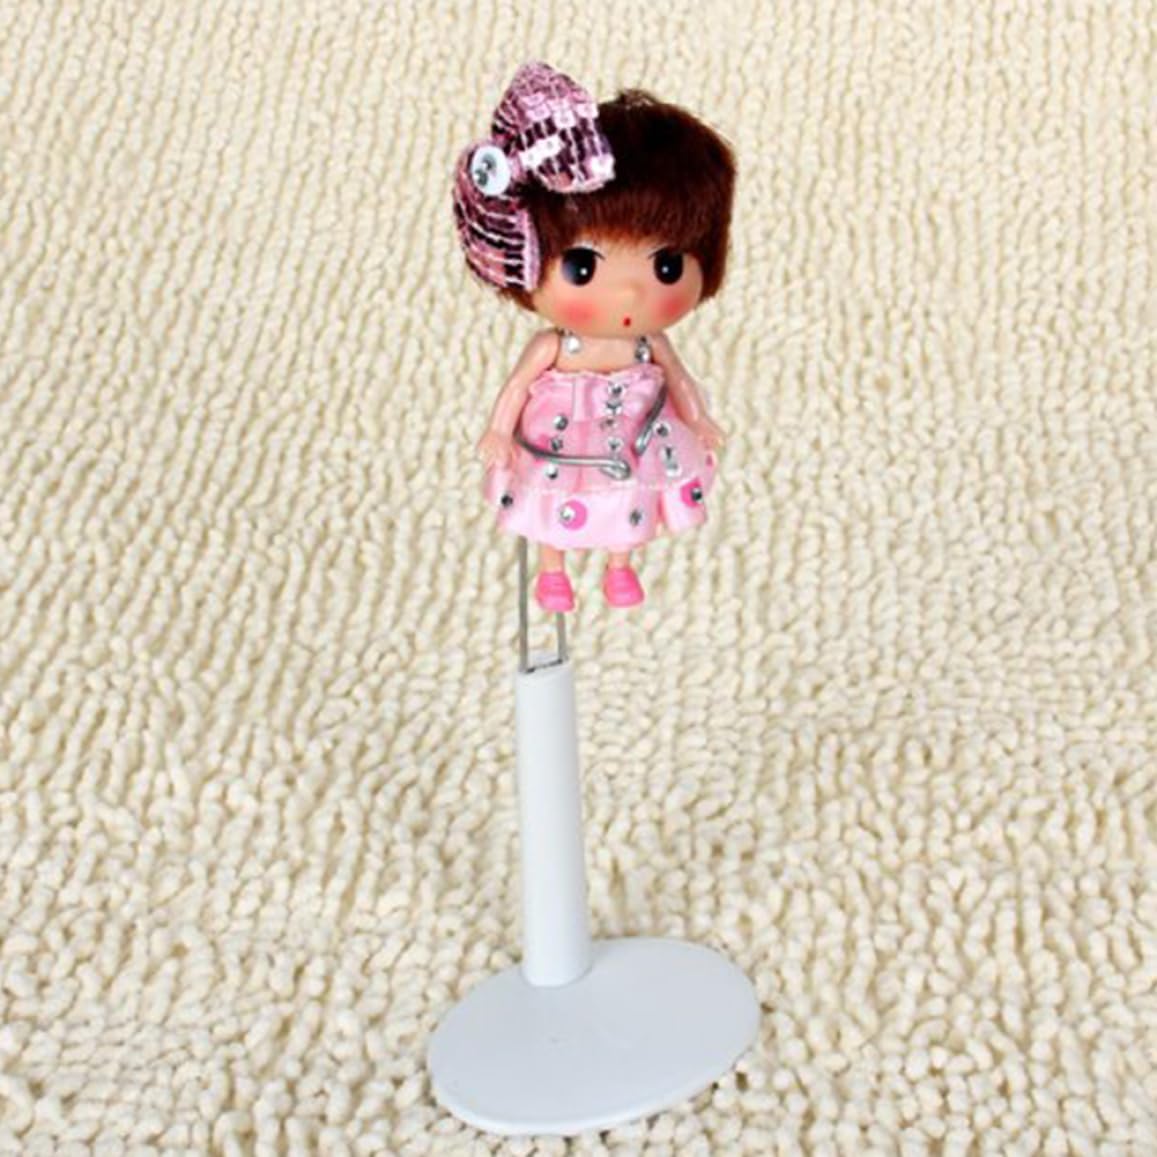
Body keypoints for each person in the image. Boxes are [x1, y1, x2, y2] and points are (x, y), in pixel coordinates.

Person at [453, 61, 736, 611]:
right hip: (561, 435)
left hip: (633, 434)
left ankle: (619, 565)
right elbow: (517, 387)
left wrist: (698, 418)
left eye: (667, 267)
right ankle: (552, 571)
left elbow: (679, 379)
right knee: (549, 499)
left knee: (631, 496)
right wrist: (498, 430)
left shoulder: (648, 346)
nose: (628, 294)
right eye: (582, 268)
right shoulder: (554, 348)